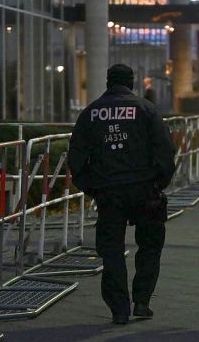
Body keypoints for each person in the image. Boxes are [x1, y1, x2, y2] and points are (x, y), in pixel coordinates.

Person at [68, 64, 177, 325]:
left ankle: (119, 308)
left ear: (108, 82)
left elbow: (76, 158)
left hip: (109, 193)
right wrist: (159, 184)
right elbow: (165, 152)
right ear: (132, 83)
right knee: (150, 245)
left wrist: (92, 188)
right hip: (145, 190)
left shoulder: (91, 113)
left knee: (112, 250)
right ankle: (142, 300)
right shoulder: (146, 110)